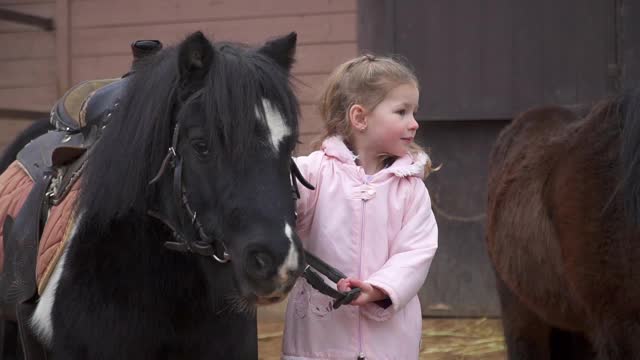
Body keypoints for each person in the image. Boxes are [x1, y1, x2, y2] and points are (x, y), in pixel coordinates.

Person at [282, 54, 439, 360]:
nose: (415, 123)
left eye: (414, 112)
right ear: (360, 118)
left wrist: (379, 289)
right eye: (402, 112)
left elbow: (417, 251)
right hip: (318, 342)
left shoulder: (410, 190)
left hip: (389, 343)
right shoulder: (312, 173)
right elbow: (276, 202)